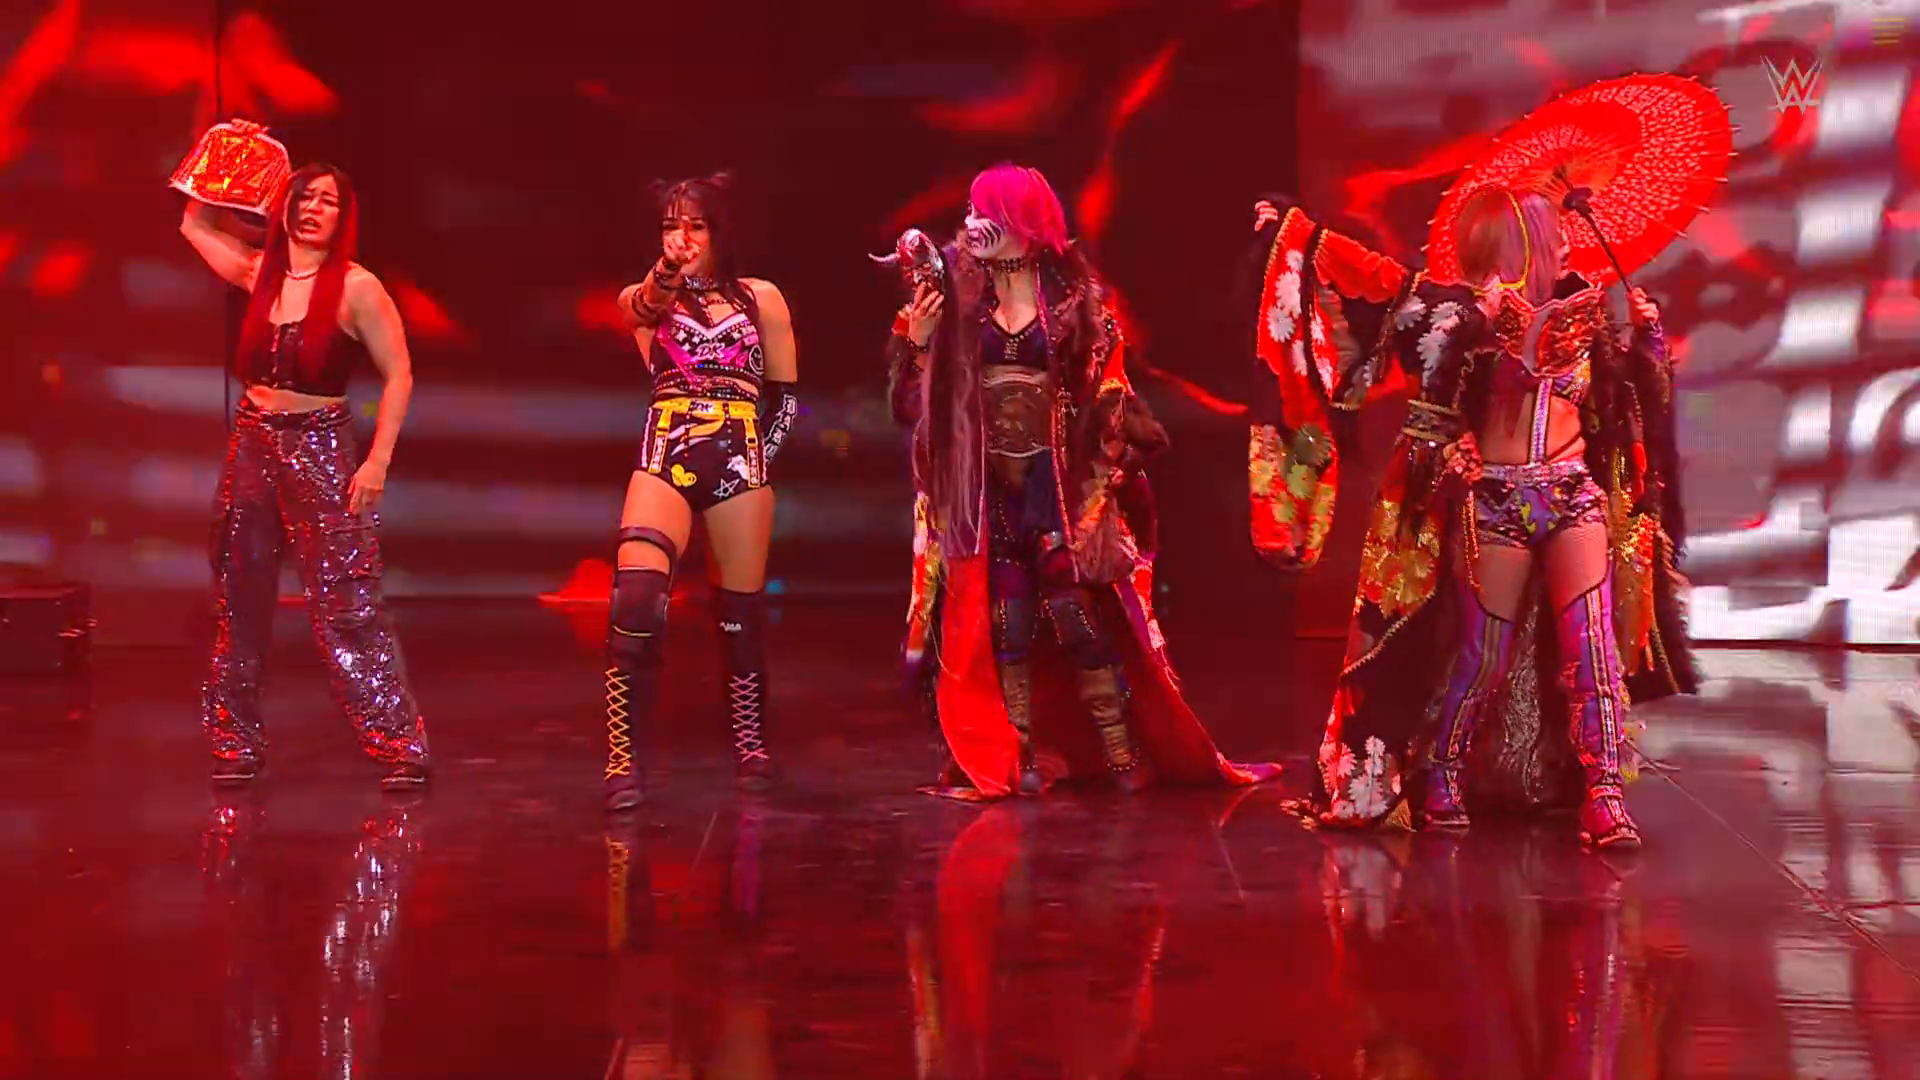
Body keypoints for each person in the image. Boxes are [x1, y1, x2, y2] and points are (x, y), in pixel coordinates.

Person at [1245, 187, 1695, 849]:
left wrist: (1648, 339)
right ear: (1519, 245)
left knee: (1593, 649)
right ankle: (1445, 774)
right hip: (1497, 499)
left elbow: (1628, 401)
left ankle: (1604, 791)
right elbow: (1371, 279)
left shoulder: (1585, 312)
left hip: (1573, 492)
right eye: (1550, 235)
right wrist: (1297, 232)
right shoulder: (1453, 312)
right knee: (1483, 657)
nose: (1565, 244)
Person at [882, 163, 1279, 798]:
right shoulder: (956, 303)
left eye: (988, 213)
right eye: (972, 212)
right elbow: (914, 409)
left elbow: (1109, 399)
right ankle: (1017, 754)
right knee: (1006, 621)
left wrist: (1106, 469)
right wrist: (922, 343)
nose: (973, 224)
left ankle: (1122, 754)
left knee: (1078, 618)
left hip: (1060, 490)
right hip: (988, 493)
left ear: (1022, 223)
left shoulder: (1076, 306)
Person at [179, 122, 430, 789]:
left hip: (319, 445)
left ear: (344, 218)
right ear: (285, 205)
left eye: (329, 202)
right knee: (239, 594)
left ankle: (398, 744)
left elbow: (399, 374)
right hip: (252, 441)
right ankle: (234, 742)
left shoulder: (357, 288)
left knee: (347, 602)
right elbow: (195, 223)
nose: (314, 209)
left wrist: (376, 462)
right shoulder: (258, 272)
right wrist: (229, 152)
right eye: (305, 196)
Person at [604, 173, 799, 810]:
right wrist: (666, 269)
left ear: (719, 231)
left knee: (740, 617)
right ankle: (621, 759)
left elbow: (785, 400)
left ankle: (751, 744)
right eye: (670, 225)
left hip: (739, 458)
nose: (681, 237)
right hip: (667, 451)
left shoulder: (762, 298)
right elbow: (640, 308)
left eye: (694, 225)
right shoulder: (646, 296)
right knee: (635, 600)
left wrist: (756, 467)